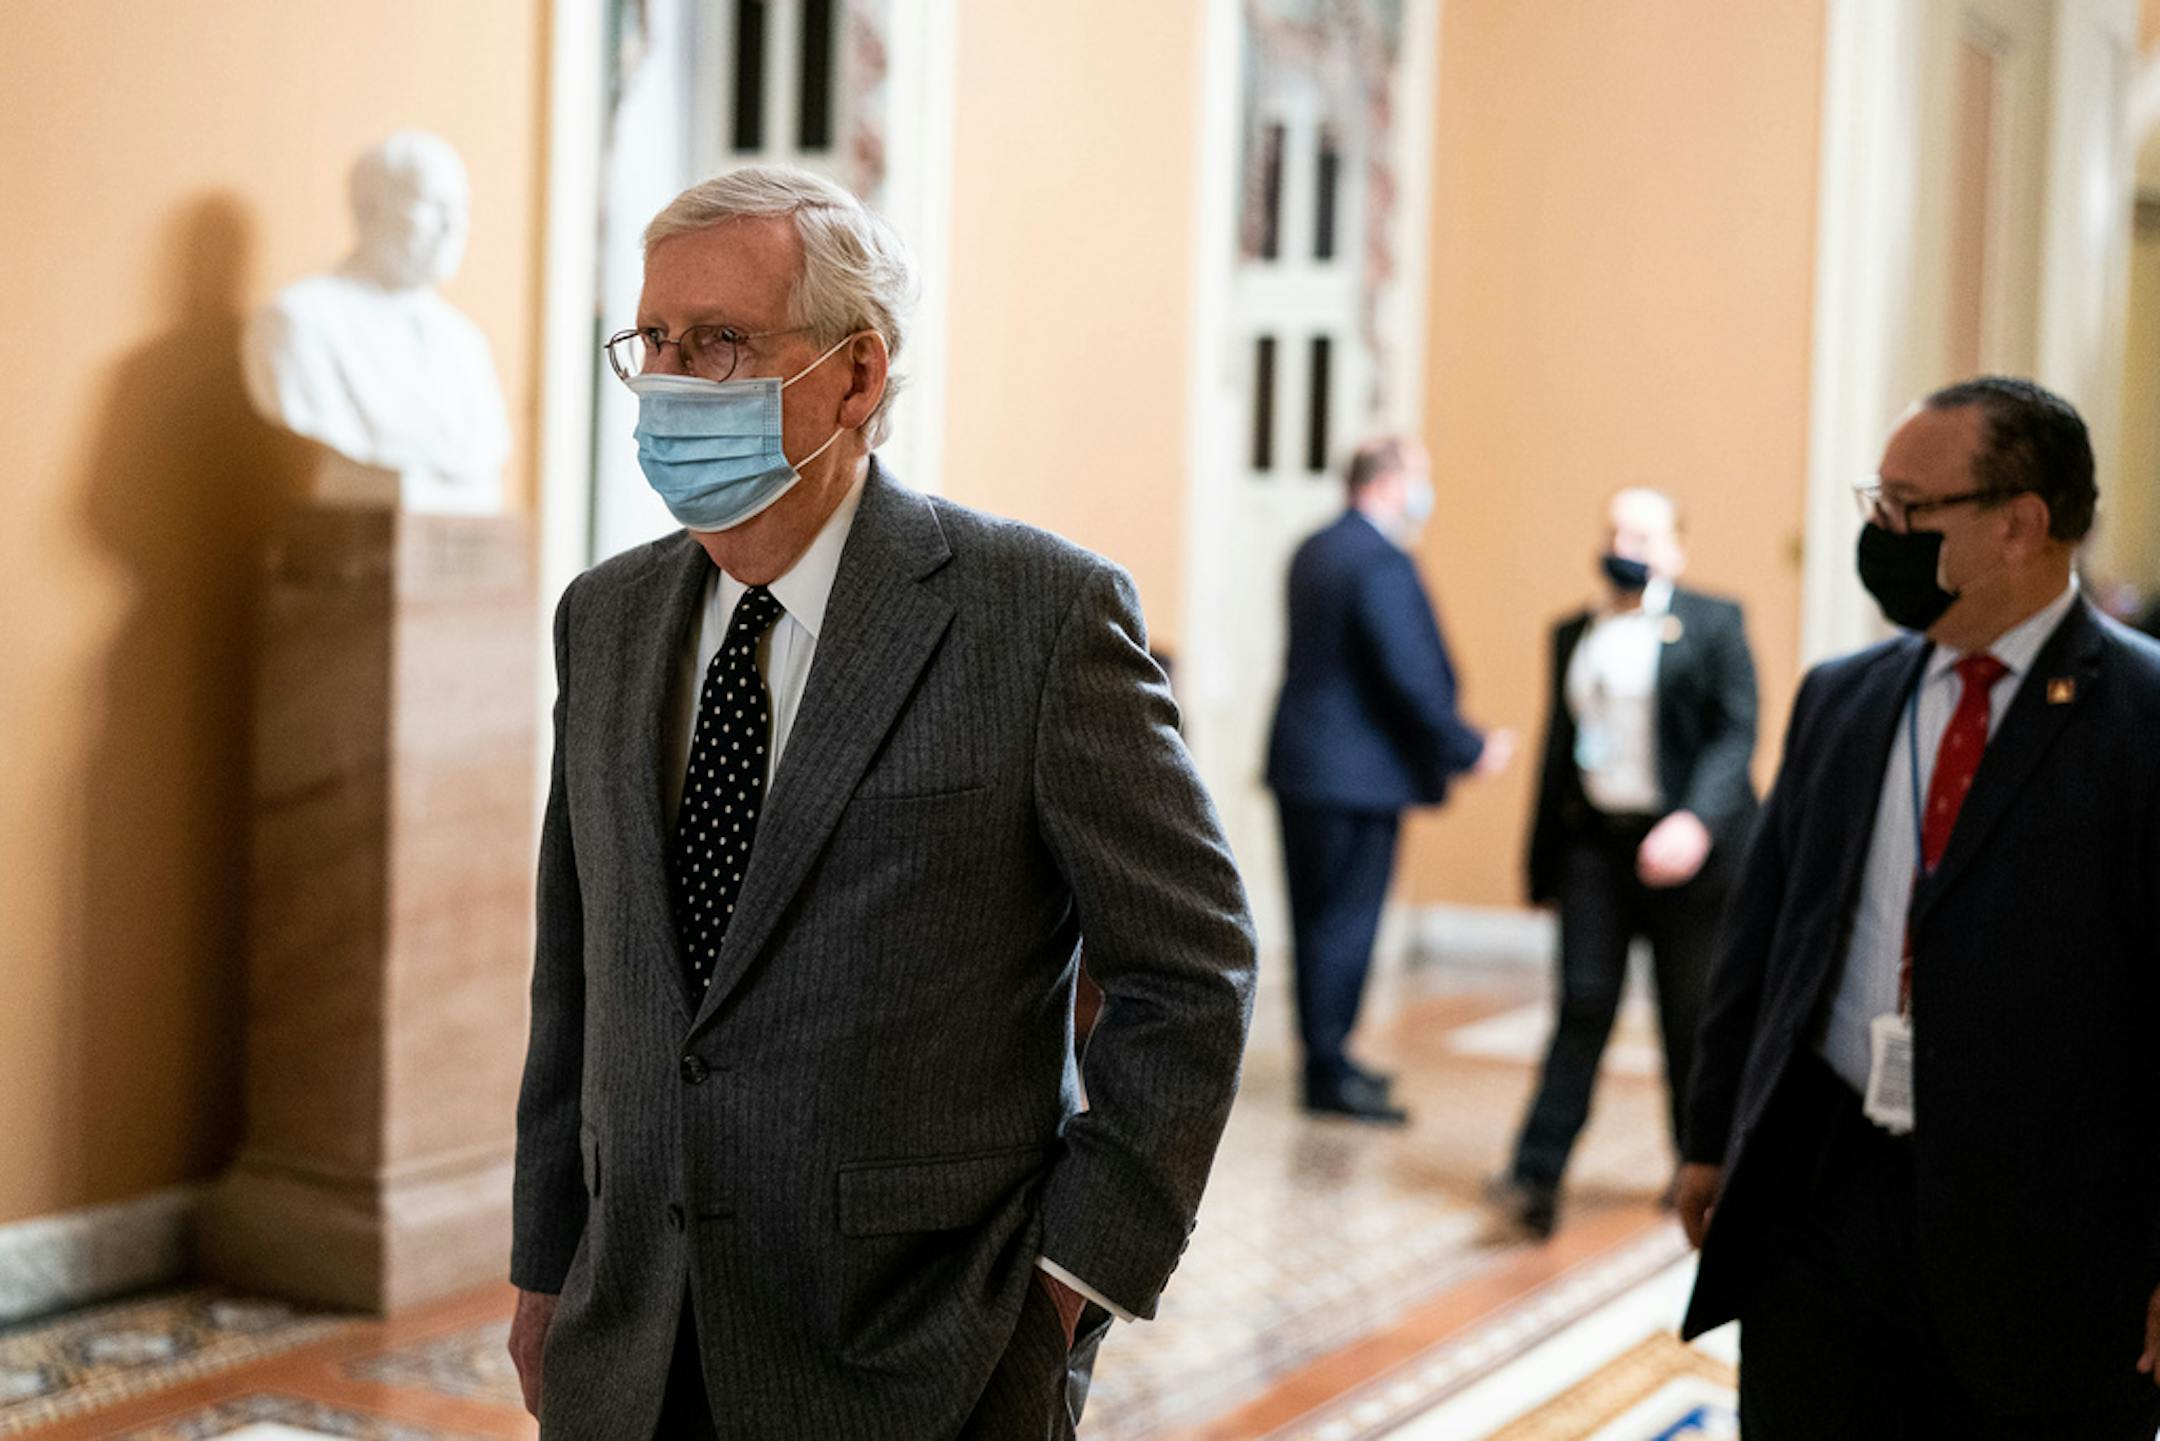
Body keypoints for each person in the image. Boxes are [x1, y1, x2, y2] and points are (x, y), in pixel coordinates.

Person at [506, 165, 1257, 1440]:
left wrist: (1071, 1286)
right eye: (657, 341)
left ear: (857, 376)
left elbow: (1190, 969)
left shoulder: (1036, 616)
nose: (675, 381)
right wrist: (543, 1267)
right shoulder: (609, 616)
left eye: (726, 343)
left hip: (924, 1351)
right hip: (632, 1340)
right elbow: (578, 970)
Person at [1675, 377, 2160, 1437]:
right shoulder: (1844, 696)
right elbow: (1763, 935)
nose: (1878, 530)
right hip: (1823, 1188)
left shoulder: (2143, 715)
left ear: (2019, 523)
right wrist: (1714, 1135)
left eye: (1906, 505)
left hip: (2046, 1226)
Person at [1490, 489, 1758, 1238]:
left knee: (1690, 1014)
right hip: (1596, 849)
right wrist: (1540, 862)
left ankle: (1699, 1166)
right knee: (1581, 1005)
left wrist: (1696, 820)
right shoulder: (1575, 629)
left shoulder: (1714, 622)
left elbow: (1735, 736)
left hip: (1690, 853)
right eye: (1614, 528)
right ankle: (1535, 1173)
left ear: (1675, 549)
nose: (1625, 542)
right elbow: (1556, 751)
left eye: (1643, 532)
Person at [1265, 438, 1512, 1125]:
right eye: (1421, 478)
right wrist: (1468, 745)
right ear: (1392, 482)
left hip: (1304, 765)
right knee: (1346, 922)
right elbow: (1406, 670)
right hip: (1356, 774)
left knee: (1315, 918)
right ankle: (1329, 1066)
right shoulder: (1379, 559)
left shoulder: (1313, 548)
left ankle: (1325, 1057)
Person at [241, 130, 510, 514]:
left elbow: (488, 444)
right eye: (432, 203)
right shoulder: (298, 322)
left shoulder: (465, 341)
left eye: (461, 206)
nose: (453, 225)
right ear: (368, 210)